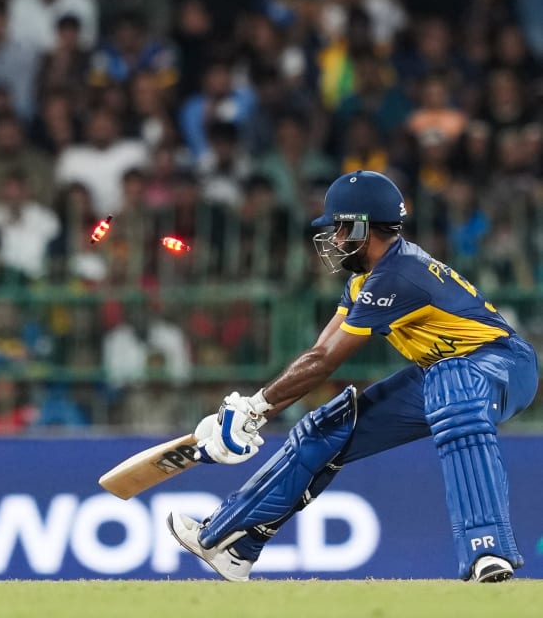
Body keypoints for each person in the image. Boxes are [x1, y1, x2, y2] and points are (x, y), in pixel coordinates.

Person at [167, 170, 538, 583]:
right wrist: (252, 413)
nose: (334, 238)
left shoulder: (399, 275)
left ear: (363, 226)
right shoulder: (364, 281)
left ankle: (487, 552)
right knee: (324, 430)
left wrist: (254, 409)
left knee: (453, 383)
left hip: (502, 364)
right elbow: (317, 353)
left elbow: (326, 360)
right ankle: (233, 543)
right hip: (440, 372)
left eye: (341, 227)